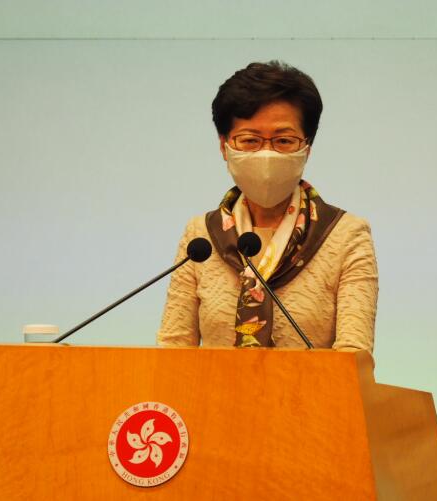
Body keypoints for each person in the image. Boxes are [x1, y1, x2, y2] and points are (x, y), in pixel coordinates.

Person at [157, 61, 378, 353]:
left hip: (311, 386)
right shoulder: (201, 237)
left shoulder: (346, 235)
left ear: (307, 148)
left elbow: (354, 356)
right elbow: (173, 350)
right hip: (212, 386)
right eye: (250, 140)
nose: (266, 154)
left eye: (284, 140)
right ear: (224, 146)